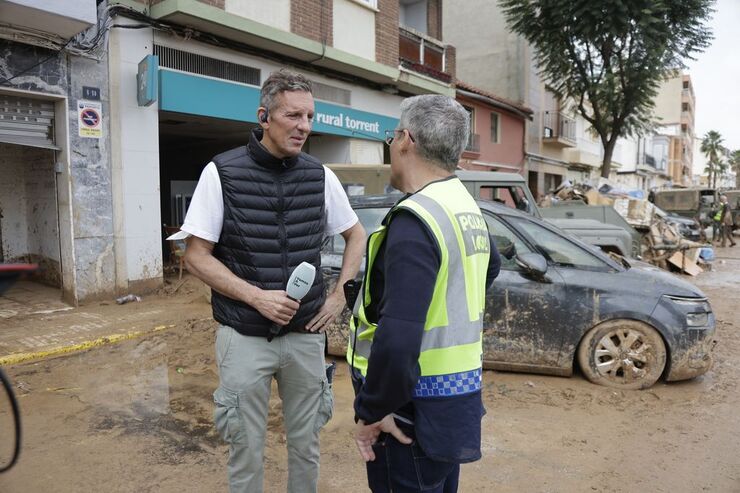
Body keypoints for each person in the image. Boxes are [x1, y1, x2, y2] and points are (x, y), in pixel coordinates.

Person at [180, 69, 365, 493]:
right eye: (293, 115)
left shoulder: (320, 176)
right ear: (265, 116)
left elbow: (356, 234)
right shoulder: (221, 173)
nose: (304, 126)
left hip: (304, 336)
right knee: (245, 447)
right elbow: (196, 256)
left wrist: (340, 295)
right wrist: (256, 298)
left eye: (310, 117)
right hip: (244, 336)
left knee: (307, 444)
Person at [347, 95, 501, 492]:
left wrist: (373, 411)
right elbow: (491, 266)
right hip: (452, 405)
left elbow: (397, 340)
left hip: (407, 413)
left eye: (392, 134)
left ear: (405, 139)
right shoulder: (462, 205)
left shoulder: (416, 219)